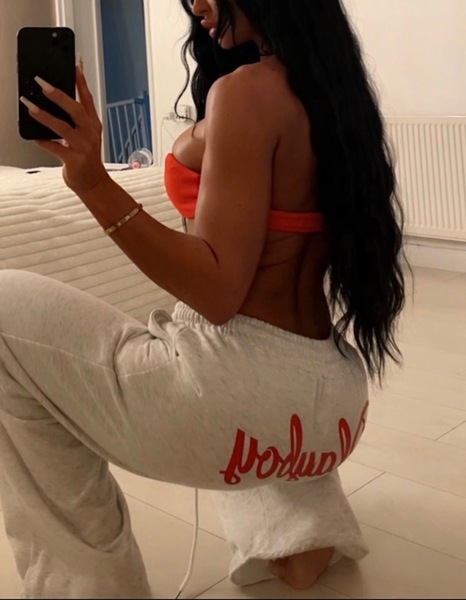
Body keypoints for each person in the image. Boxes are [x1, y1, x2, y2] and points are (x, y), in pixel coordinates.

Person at [2, 0, 407, 597]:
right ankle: (299, 540)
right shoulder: (331, 91)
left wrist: (92, 181)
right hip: (332, 410)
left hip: (233, 401)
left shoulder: (246, 94)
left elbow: (218, 291)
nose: (195, 4)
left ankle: (93, 588)